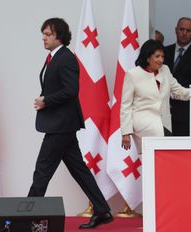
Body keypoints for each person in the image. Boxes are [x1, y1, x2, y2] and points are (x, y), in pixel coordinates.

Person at [27, 18, 113, 229]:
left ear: (59, 36)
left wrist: (46, 100)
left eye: (47, 34)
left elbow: (71, 90)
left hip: (61, 125)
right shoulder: (55, 57)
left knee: (42, 171)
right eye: (43, 34)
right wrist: (45, 100)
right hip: (62, 124)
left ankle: (28, 217)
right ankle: (102, 210)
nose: (43, 37)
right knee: (78, 170)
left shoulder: (65, 58)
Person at [121, 39, 189, 153]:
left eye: (162, 56)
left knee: (160, 161)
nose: (161, 60)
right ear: (148, 57)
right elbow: (125, 105)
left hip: (164, 124)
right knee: (156, 158)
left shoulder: (165, 70)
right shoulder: (133, 74)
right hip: (143, 125)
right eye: (157, 56)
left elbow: (179, 92)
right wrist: (125, 133)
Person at [164, 17, 191, 136]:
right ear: (175, 30)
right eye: (181, 29)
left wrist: (171, 90)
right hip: (161, 112)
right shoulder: (163, 52)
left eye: (188, 30)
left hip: (184, 114)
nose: (184, 33)